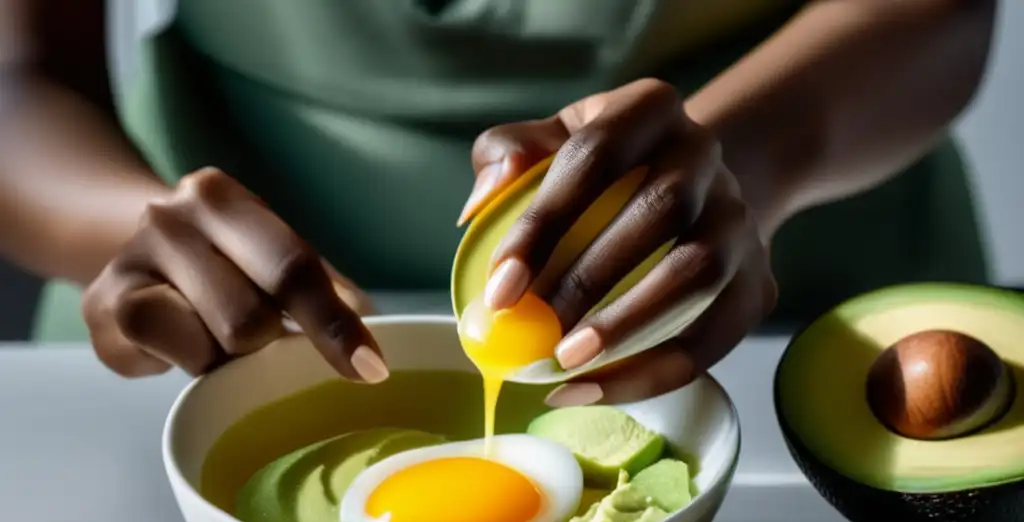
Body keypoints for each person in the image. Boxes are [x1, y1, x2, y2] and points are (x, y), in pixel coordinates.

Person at [0, 0, 997, 406]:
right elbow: (20, 77)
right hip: (202, 322)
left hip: (785, 289)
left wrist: (748, 162)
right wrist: (123, 230)